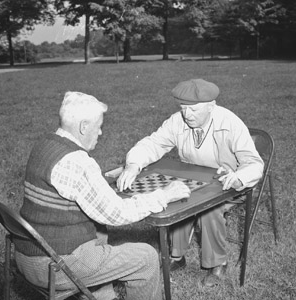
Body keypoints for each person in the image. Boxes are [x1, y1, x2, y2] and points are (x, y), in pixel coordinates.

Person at [14, 91, 191, 300]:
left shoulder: (45, 144)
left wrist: (102, 180)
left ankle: (104, 297)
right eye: (98, 127)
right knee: (147, 257)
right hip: (53, 267)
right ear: (83, 127)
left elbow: (70, 189)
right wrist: (164, 195)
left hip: (26, 254)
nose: (100, 133)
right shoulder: (78, 161)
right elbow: (117, 214)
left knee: (99, 231)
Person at [117, 78, 264, 287]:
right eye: (183, 108)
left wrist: (239, 176)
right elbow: (153, 143)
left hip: (229, 184)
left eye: (193, 110)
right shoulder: (178, 120)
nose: (187, 115)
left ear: (211, 106)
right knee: (176, 196)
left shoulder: (230, 123)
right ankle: (177, 257)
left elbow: (254, 163)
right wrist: (133, 164)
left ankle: (217, 264)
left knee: (209, 209)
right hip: (194, 180)